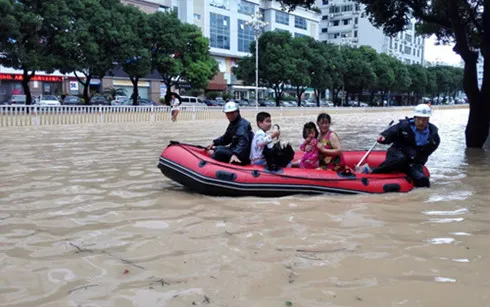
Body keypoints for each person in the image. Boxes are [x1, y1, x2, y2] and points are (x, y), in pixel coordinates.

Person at [371, 104, 440, 187]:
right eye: (419, 119)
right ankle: (374, 173)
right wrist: (384, 137)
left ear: (428, 119)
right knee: (399, 158)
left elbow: (427, 152)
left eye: (424, 119)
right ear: (414, 117)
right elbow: (392, 132)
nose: (421, 122)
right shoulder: (404, 126)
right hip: (397, 153)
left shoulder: (433, 135)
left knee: (423, 180)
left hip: (413, 161)